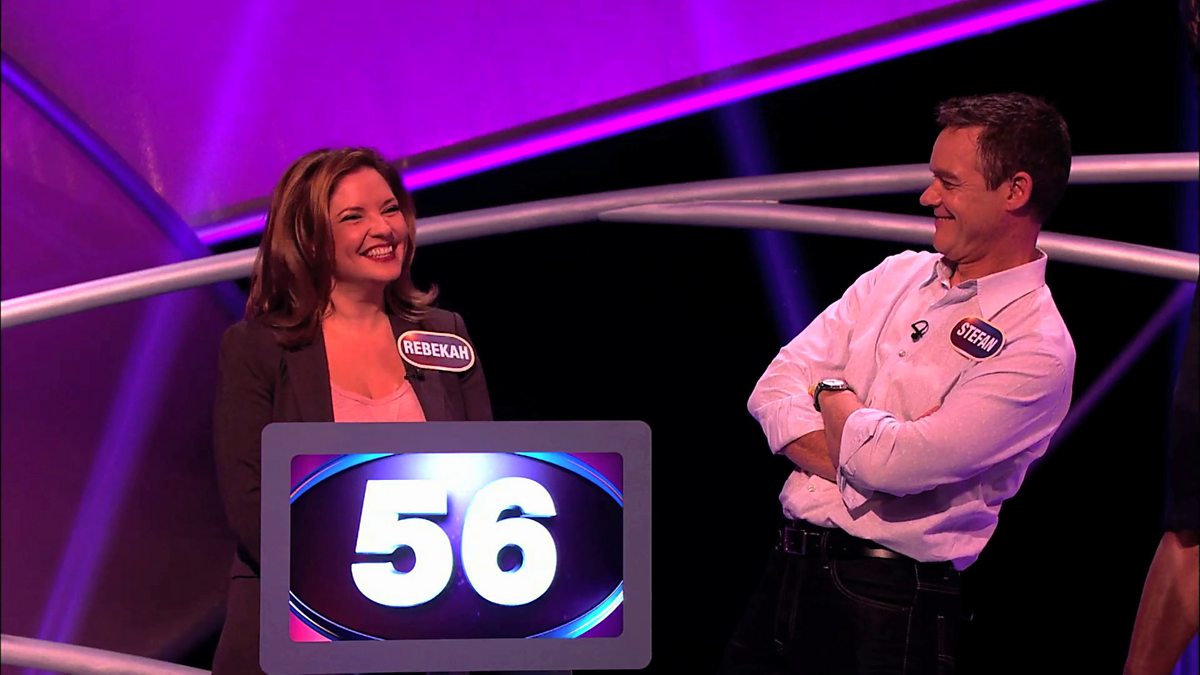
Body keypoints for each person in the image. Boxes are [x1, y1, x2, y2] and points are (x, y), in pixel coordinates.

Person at [721, 92, 1076, 674]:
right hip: (785, 572)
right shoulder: (894, 275)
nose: (927, 197)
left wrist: (828, 392)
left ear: (1015, 191)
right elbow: (773, 388)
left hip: (887, 603)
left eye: (949, 182)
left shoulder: (1037, 347)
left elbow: (895, 467)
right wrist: (864, 447)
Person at [211, 147, 493, 674]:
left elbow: (488, 474)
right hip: (301, 626)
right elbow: (252, 505)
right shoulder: (257, 348)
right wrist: (358, 599)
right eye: (353, 217)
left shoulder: (445, 333)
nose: (383, 229)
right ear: (309, 236)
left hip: (433, 628)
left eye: (390, 209)